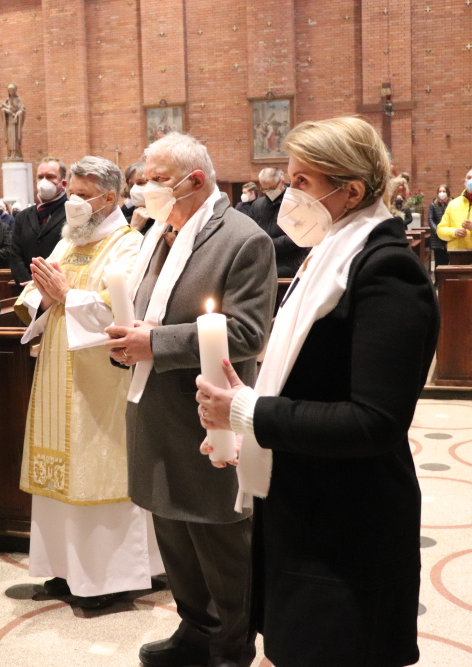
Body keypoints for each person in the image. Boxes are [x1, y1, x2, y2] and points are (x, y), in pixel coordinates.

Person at [195, 116, 439, 667]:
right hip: (306, 499)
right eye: (289, 180)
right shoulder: (331, 252)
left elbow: (374, 421)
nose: (290, 195)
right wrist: (243, 429)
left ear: (351, 190)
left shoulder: (387, 271)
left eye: (303, 181)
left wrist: (249, 411)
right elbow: (305, 375)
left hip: (349, 521)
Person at [105, 133, 277, 667]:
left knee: (219, 543)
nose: (144, 190)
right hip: (154, 408)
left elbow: (247, 333)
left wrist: (153, 344)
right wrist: (125, 341)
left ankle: (230, 646)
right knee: (173, 533)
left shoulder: (243, 240)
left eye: (156, 180)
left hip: (207, 416)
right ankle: (195, 630)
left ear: (195, 180)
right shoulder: (161, 232)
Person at [15, 156, 158, 611]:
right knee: (60, 472)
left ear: (110, 198)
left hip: (101, 376)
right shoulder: (68, 239)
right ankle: (64, 568)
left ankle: (106, 579)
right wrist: (42, 296)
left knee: (99, 471)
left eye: (81, 194)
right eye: (70, 192)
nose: (71, 201)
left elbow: (123, 310)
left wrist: (66, 296)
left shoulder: (130, 245)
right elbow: (38, 292)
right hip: (57, 368)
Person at [9, 157, 68, 283]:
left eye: (50, 177)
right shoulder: (22, 217)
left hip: (61, 285)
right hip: (27, 287)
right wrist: (30, 284)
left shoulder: (72, 214)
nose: (44, 181)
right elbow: (15, 255)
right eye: (40, 177)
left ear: (63, 183)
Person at [248, 167, 310, 278]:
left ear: (282, 182)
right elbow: (250, 233)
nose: (268, 192)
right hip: (264, 265)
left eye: (271, 188)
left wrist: (269, 244)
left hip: (290, 265)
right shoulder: (257, 205)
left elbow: (300, 235)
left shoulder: (297, 203)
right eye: (264, 189)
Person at [428, 184, 451, 266]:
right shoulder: (433, 205)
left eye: (444, 191)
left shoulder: (451, 204)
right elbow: (430, 219)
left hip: (448, 235)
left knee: (449, 260)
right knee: (438, 261)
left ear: (447, 193)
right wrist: (437, 230)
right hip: (437, 237)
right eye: (440, 191)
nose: (442, 193)